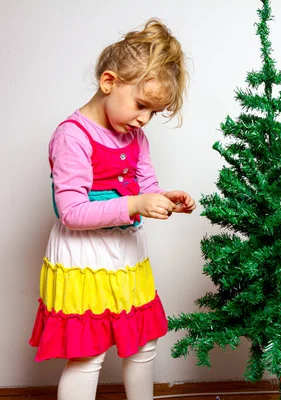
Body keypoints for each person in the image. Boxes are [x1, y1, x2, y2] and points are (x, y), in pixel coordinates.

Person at [28, 18, 196, 400]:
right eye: (141, 106)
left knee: (142, 343)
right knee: (87, 354)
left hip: (126, 253)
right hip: (84, 257)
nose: (144, 119)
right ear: (109, 83)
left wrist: (165, 199)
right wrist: (136, 204)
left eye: (153, 112)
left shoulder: (136, 135)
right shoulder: (72, 135)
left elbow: (146, 185)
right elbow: (71, 211)